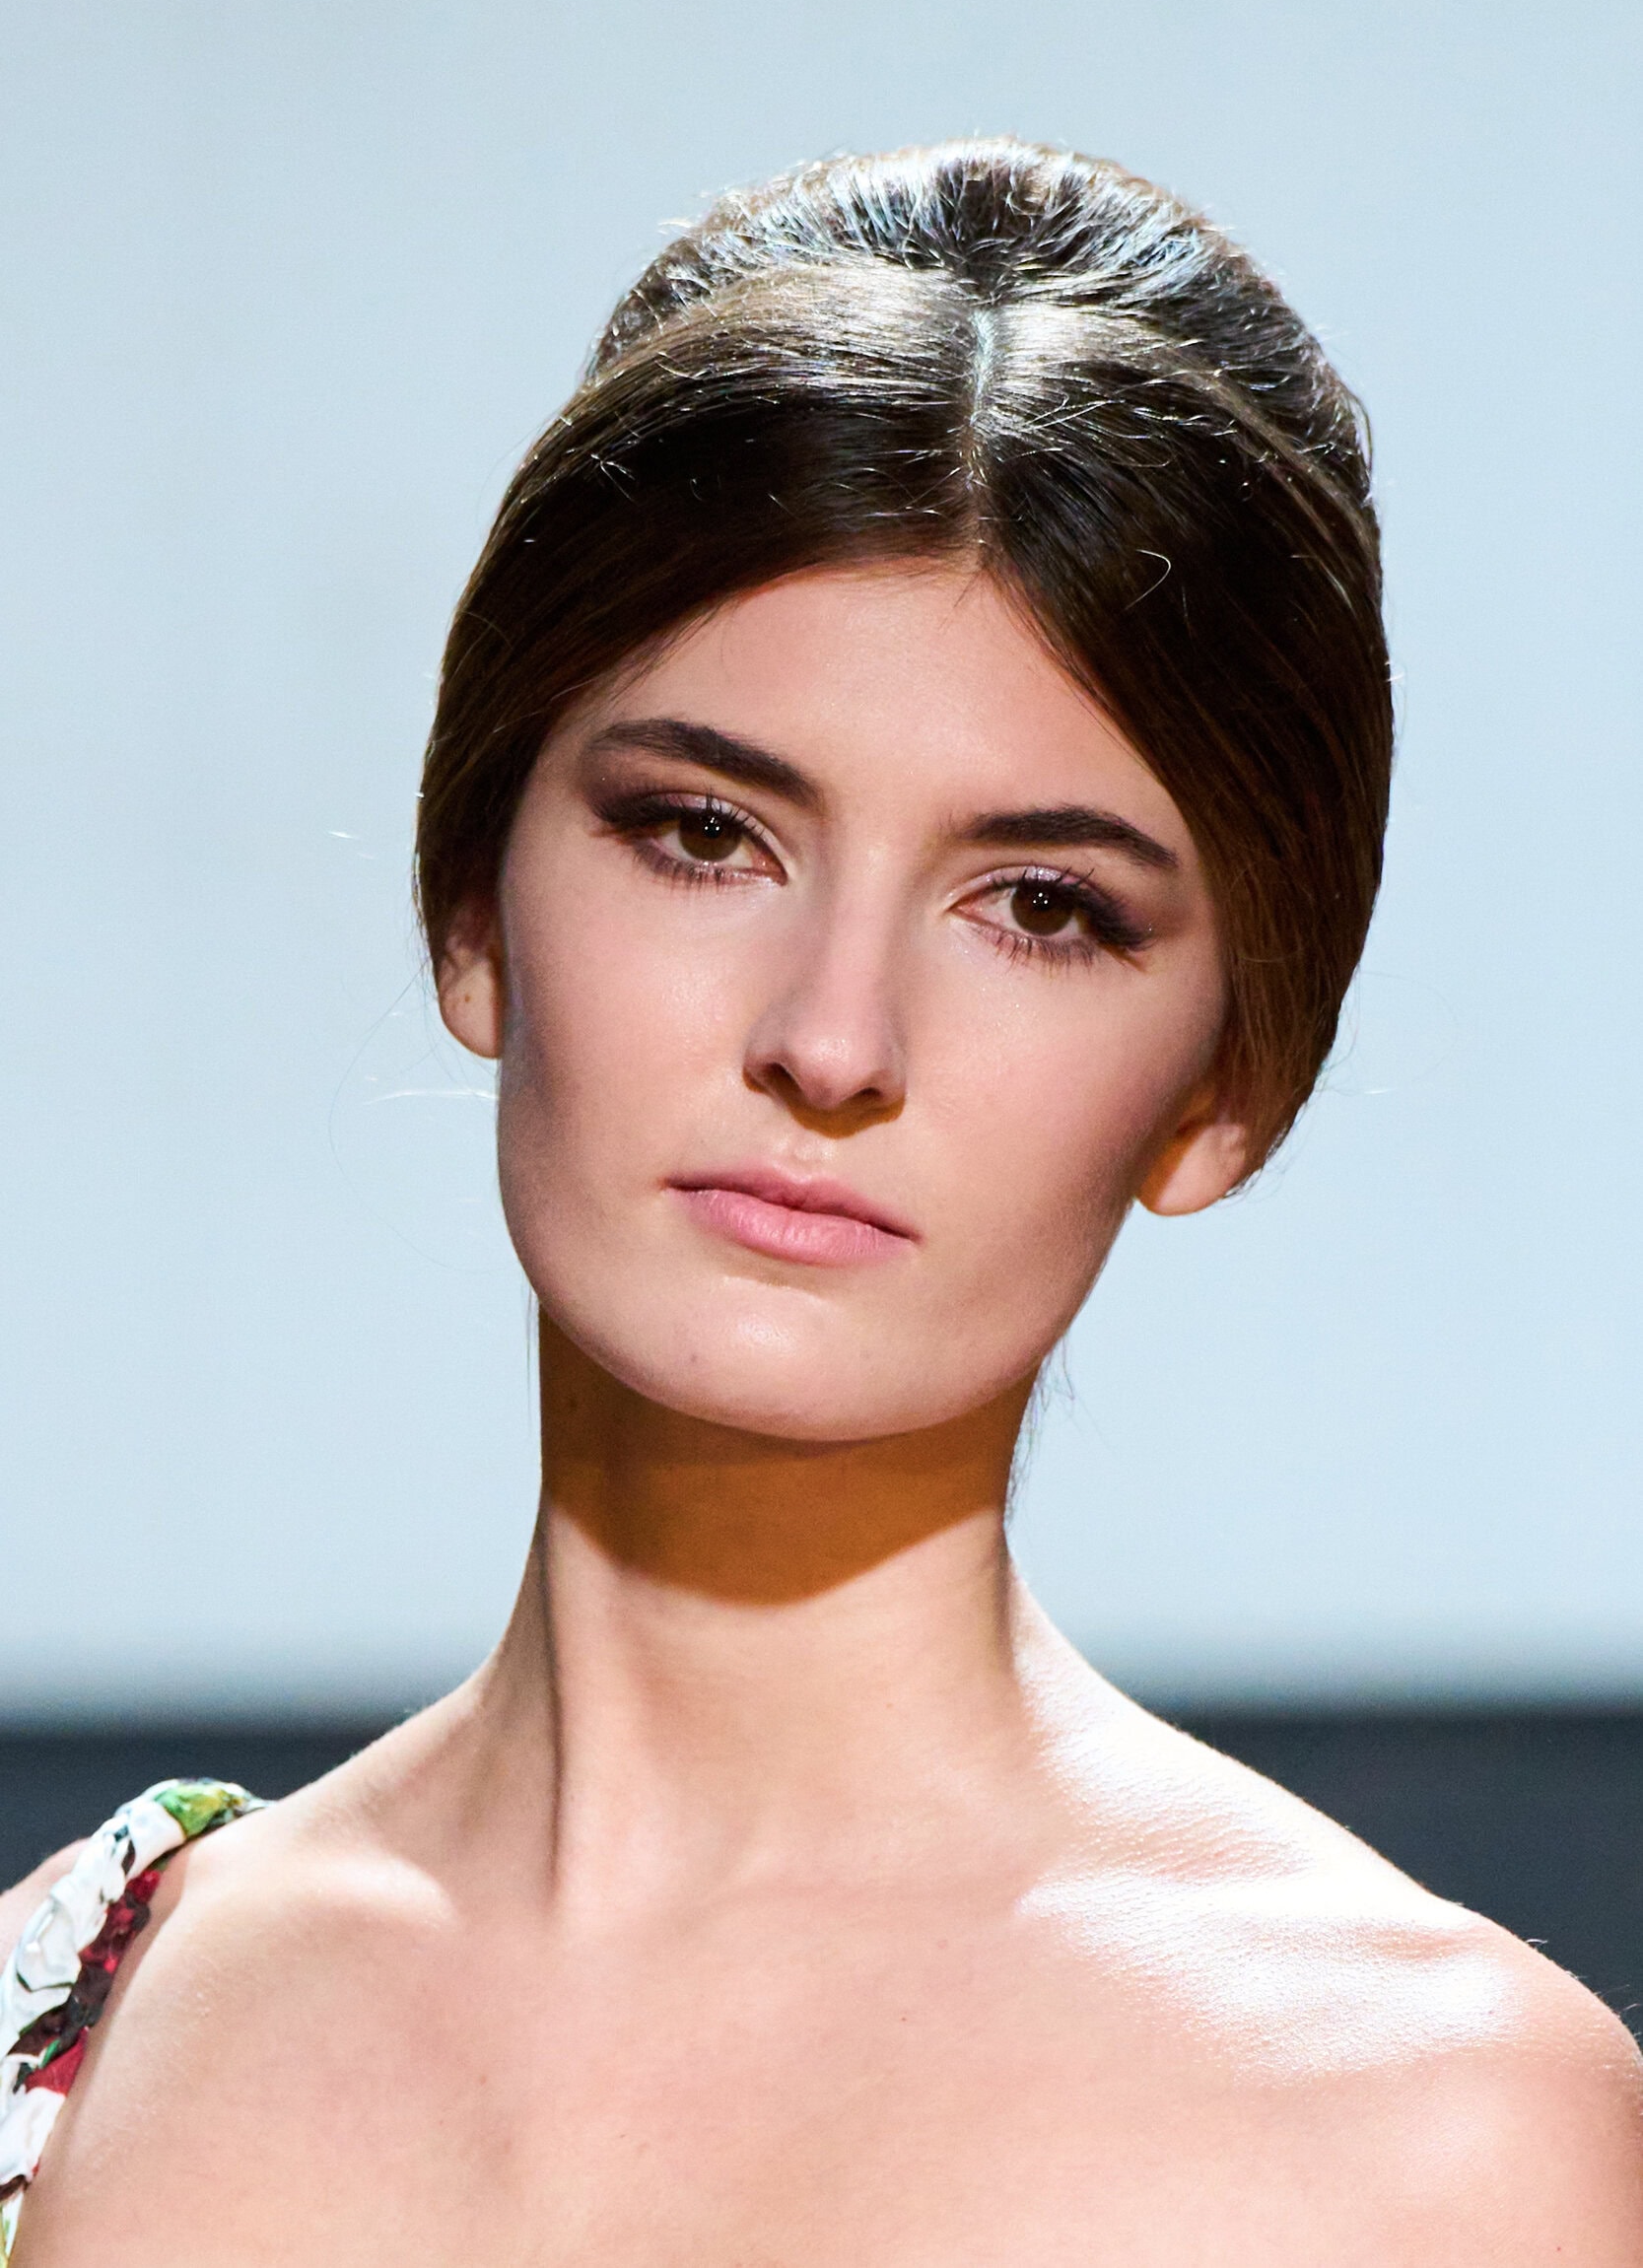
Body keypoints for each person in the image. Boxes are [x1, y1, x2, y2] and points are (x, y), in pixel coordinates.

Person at [3, 140, 1639, 2265]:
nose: (834, 1036)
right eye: (705, 832)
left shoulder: (1429, 2139)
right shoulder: (89, 2020)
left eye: (1042, 906)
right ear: (471, 905)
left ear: (1231, 1084)